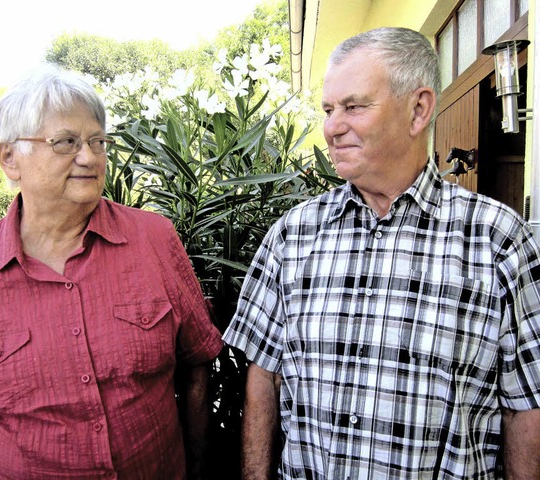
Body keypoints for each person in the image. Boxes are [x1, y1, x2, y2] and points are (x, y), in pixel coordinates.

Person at [223, 27, 540, 479]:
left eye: (354, 106)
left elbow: (526, 405)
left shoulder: (497, 240)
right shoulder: (292, 236)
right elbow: (262, 378)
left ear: (418, 109)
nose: (332, 126)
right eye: (329, 110)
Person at [0, 65, 224, 479]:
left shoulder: (154, 239)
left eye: (98, 141)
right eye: (66, 142)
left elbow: (198, 362)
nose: (90, 157)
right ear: (9, 158)